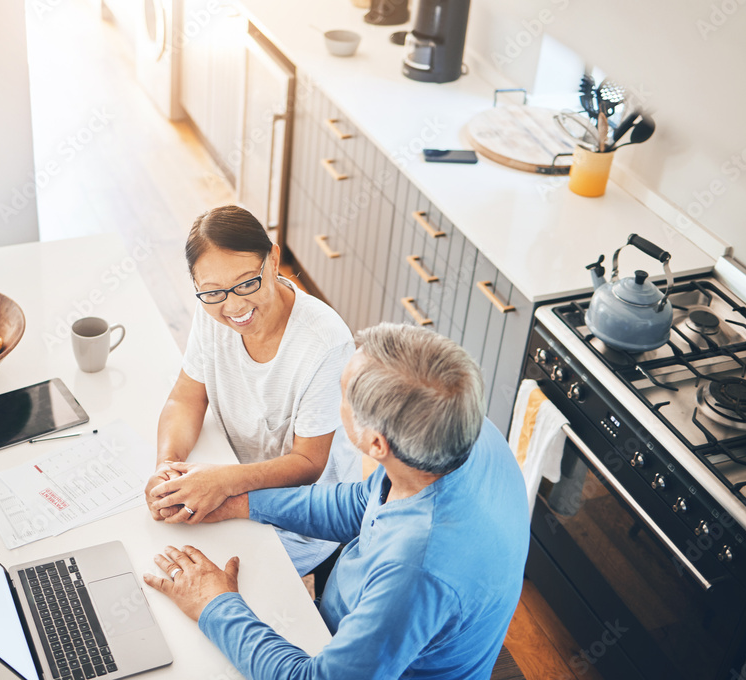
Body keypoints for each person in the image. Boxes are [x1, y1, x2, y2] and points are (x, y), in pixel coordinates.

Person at [143, 323, 531, 679]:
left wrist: (214, 603)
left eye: (340, 394)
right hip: (355, 631)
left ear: (376, 443)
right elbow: (363, 503)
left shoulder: (416, 570)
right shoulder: (457, 427)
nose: (334, 398)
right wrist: (243, 501)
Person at [145, 205, 358, 576]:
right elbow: (186, 397)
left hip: (303, 514)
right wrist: (169, 468)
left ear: (273, 260)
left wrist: (221, 481)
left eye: (247, 283)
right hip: (232, 479)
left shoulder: (325, 343)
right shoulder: (212, 308)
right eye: (212, 291)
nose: (235, 305)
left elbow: (308, 464)